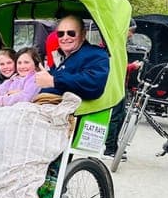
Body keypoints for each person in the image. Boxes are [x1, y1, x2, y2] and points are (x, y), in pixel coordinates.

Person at [35, 14, 109, 99]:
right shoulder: (60, 57)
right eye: (60, 34)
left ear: (83, 34)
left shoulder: (96, 54)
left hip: (71, 109)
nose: (65, 37)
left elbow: (93, 84)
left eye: (71, 33)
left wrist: (54, 81)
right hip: (47, 104)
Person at [104, 19, 143, 157]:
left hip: (121, 85)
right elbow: (114, 67)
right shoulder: (112, 44)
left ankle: (114, 146)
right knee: (115, 117)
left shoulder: (118, 43)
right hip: (114, 86)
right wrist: (132, 66)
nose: (132, 35)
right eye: (131, 31)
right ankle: (109, 148)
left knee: (120, 116)